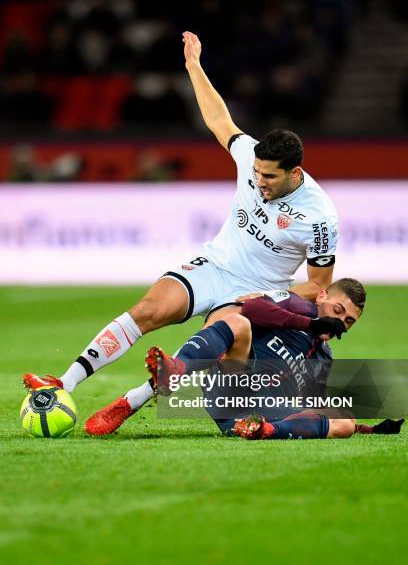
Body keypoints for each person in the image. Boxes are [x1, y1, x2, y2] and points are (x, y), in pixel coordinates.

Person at [23, 31, 338, 434]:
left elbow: (318, 285)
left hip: (256, 291)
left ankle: (128, 403)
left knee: (208, 345)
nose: (259, 181)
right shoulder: (251, 157)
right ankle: (64, 383)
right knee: (149, 309)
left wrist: (267, 298)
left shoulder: (319, 216)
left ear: (295, 173)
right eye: (256, 173)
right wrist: (194, 66)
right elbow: (218, 119)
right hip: (215, 264)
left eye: (269, 177)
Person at [145, 278, 404, 441]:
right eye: (338, 311)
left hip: (261, 410)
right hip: (231, 388)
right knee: (237, 322)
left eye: (348, 321)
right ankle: (176, 370)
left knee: (344, 420)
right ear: (322, 297)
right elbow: (253, 308)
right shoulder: (295, 304)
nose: (340, 323)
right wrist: (311, 324)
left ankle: (261, 430)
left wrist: (368, 430)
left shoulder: (324, 357)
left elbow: (315, 410)